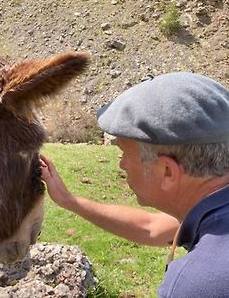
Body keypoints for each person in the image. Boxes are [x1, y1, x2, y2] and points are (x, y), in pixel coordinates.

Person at [40, 72, 229, 297]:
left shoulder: (197, 285)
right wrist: (69, 200)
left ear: (167, 172)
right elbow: (152, 227)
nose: (121, 165)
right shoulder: (215, 213)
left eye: (124, 152)